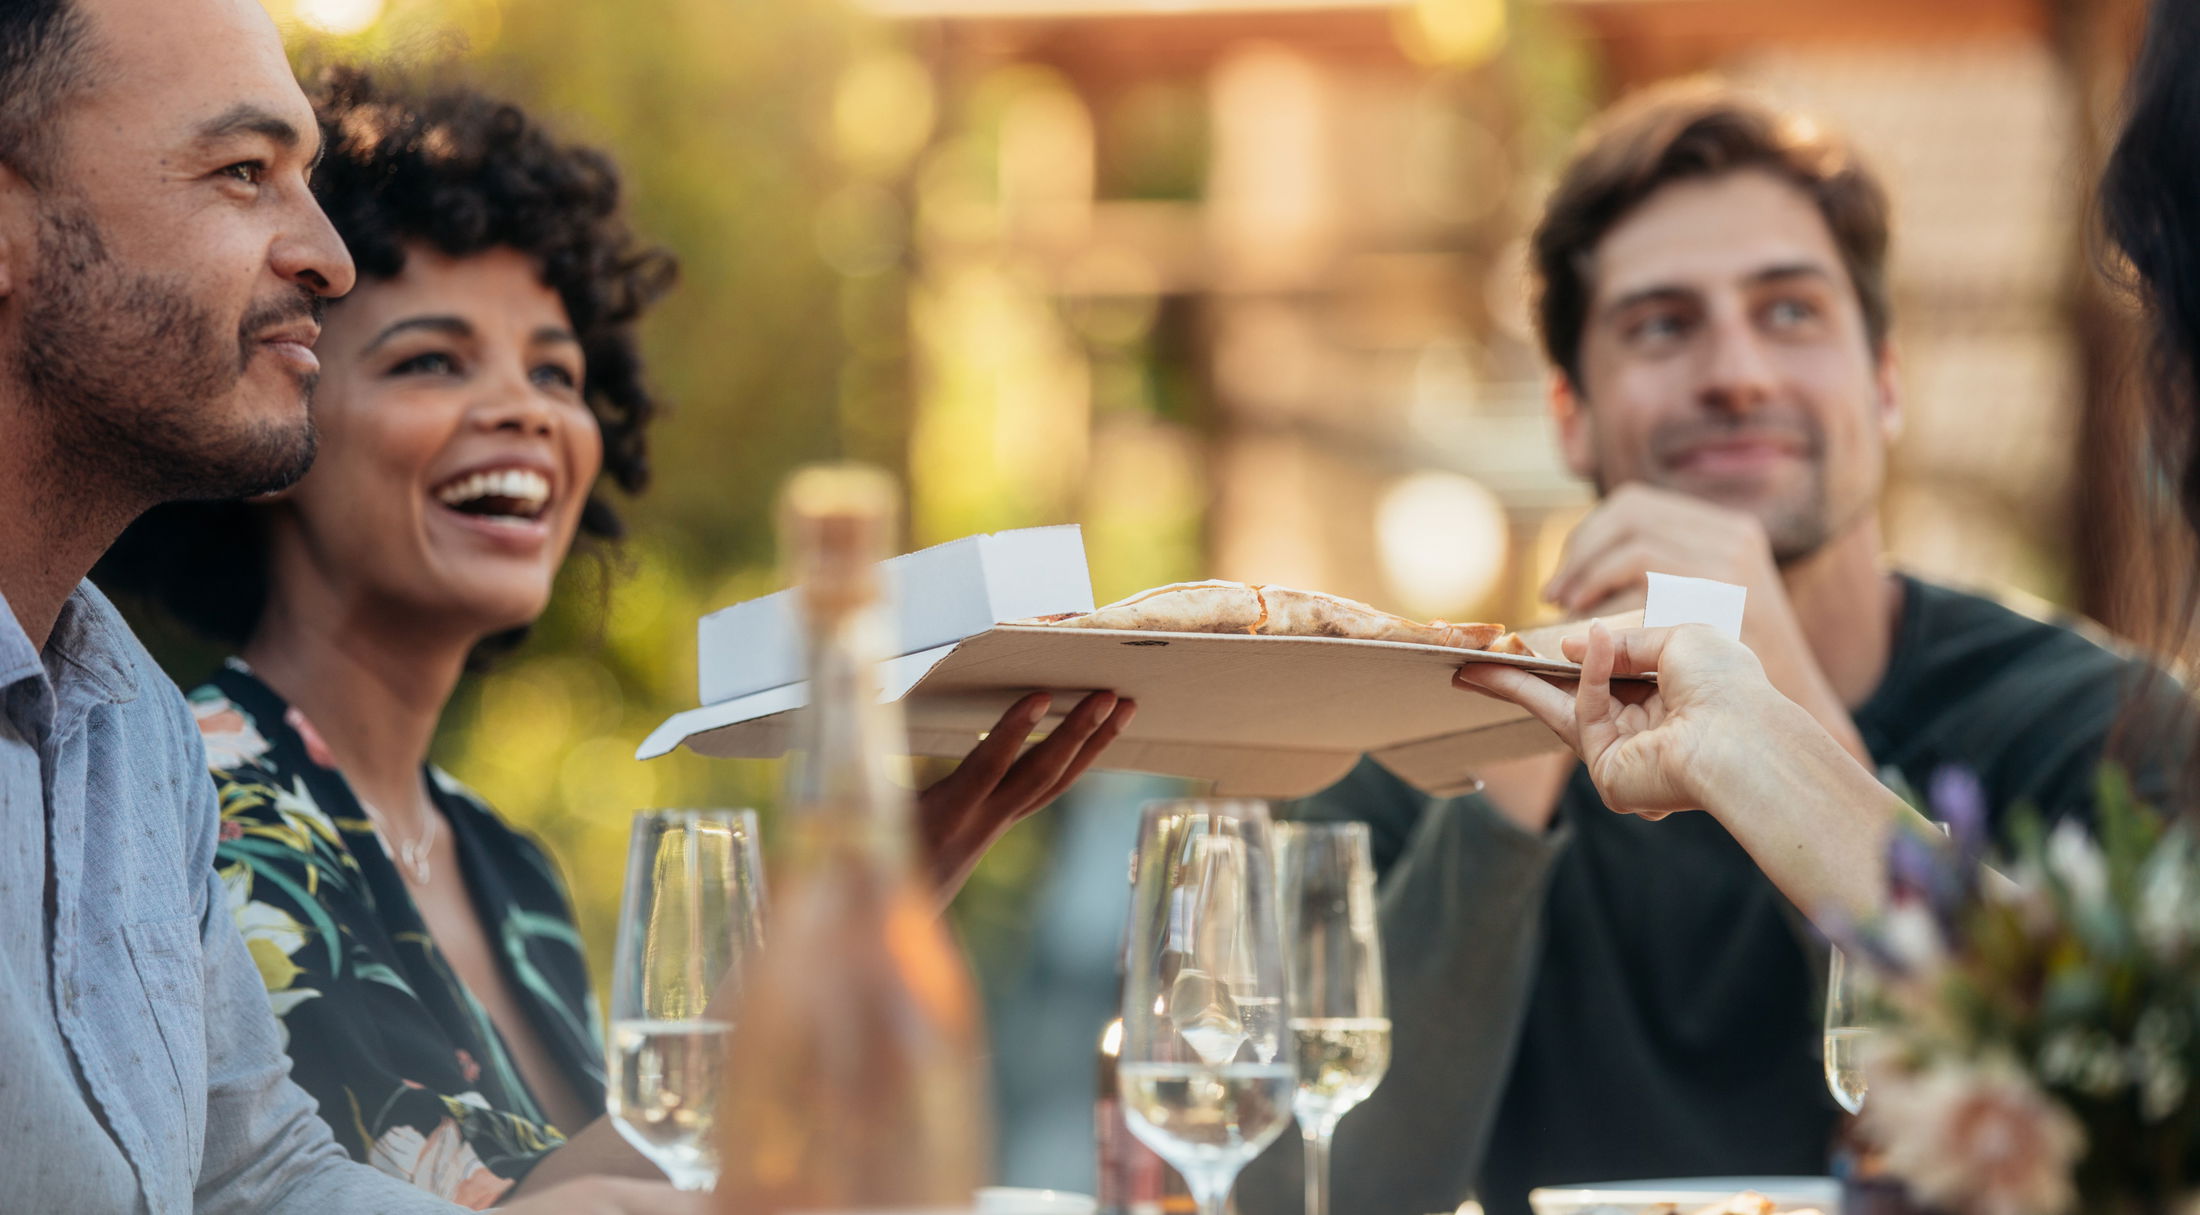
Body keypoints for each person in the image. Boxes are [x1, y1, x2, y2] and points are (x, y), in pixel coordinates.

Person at [93, 68, 1135, 1206]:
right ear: (279, 412)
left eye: (556, 372)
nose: (528, 410)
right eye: (432, 361)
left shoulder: (503, 859)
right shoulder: (202, 802)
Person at [1240, 81, 2189, 1215]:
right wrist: (1502, 790)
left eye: (1790, 311)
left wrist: (1785, 728)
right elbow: (1300, 1196)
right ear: (1569, 415)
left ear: (1883, 385)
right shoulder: (1409, 746)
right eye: (1661, 325)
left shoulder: (2103, 729)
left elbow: (2119, 1159)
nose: (1735, 372)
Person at [0, 0, 698, 1211]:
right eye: (242, 172)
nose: (325, 259)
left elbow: (255, 1176)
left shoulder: (133, 739)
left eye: (556, 371)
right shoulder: (224, 784)